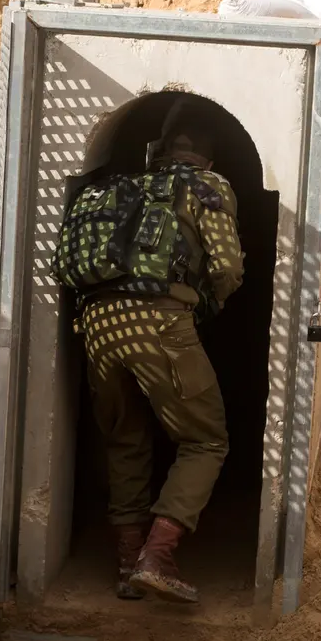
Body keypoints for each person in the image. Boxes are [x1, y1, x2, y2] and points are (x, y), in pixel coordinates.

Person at [74, 118, 244, 604]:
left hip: (98, 327)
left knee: (124, 439)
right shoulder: (206, 185)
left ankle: (128, 565)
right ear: (207, 160)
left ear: (156, 153)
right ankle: (158, 557)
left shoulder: (118, 186)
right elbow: (227, 265)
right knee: (206, 440)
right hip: (162, 322)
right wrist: (208, 305)